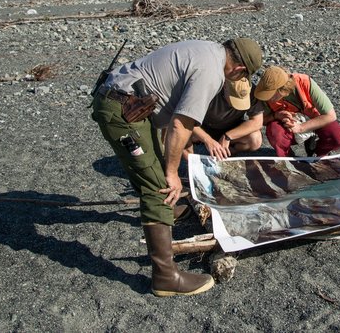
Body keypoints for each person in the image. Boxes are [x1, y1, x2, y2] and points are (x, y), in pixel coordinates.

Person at [91, 38, 262, 297]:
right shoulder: (211, 73)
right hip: (124, 108)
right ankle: (165, 277)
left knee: (153, 169)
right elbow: (181, 124)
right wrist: (172, 174)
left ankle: (168, 210)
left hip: (127, 101)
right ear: (239, 70)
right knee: (158, 186)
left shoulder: (207, 49)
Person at [254, 66, 340, 158]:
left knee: (338, 138)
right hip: (288, 126)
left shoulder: (304, 82)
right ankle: (287, 158)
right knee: (275, 131)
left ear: (282, 90)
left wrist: (300, 128)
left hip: (315, 120)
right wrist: (275, 116)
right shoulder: (264, 91)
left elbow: (330, 116)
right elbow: (260, 120)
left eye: (271, 94)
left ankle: (316, 153)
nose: (267, 98)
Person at [187, 77, 263, 160]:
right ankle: (197, 152)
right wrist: (207, 140)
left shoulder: (251, 91)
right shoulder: (209, 88)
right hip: (204, 127)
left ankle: (227, 152)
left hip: (231, 129)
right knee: (181, 131)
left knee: (255, 139)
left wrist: (228, 136)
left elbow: (257, 122)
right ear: (224, 87)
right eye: (234, 99)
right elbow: (187, 119)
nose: (235, 106)